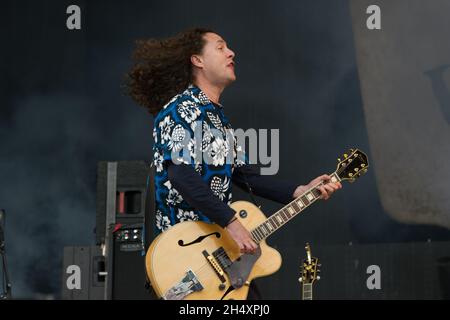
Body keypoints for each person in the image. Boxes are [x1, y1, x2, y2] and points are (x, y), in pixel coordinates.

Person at [125, 27, 342, 299]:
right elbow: (181, 175)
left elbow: (248, 178)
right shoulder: (182, 109)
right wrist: (232, 222)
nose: (231, 52)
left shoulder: (219, 121)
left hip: (221, 254)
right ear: (198, 60)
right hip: (187, 259)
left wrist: (300, 191)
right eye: (220, 47)